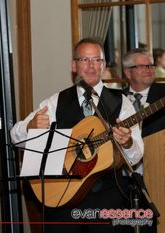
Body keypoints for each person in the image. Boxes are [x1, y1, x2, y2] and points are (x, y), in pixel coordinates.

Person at [11, 38, 143, 233]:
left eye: (96, 60)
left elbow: (137, 155)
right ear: (74, 65)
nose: (91, 66)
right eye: (84, 60)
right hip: (64, 198)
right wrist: (31, 126)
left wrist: (128, 142)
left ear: (104, 65)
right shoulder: (56, 101)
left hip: (107, 201)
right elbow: (15, 136)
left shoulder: (121, 103)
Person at [122, 48, 165, 233]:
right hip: (123, 181)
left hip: (159, 178)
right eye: (142, 66)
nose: (149, 69)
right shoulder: (115, 100)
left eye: (150, 65)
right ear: (127, 72)